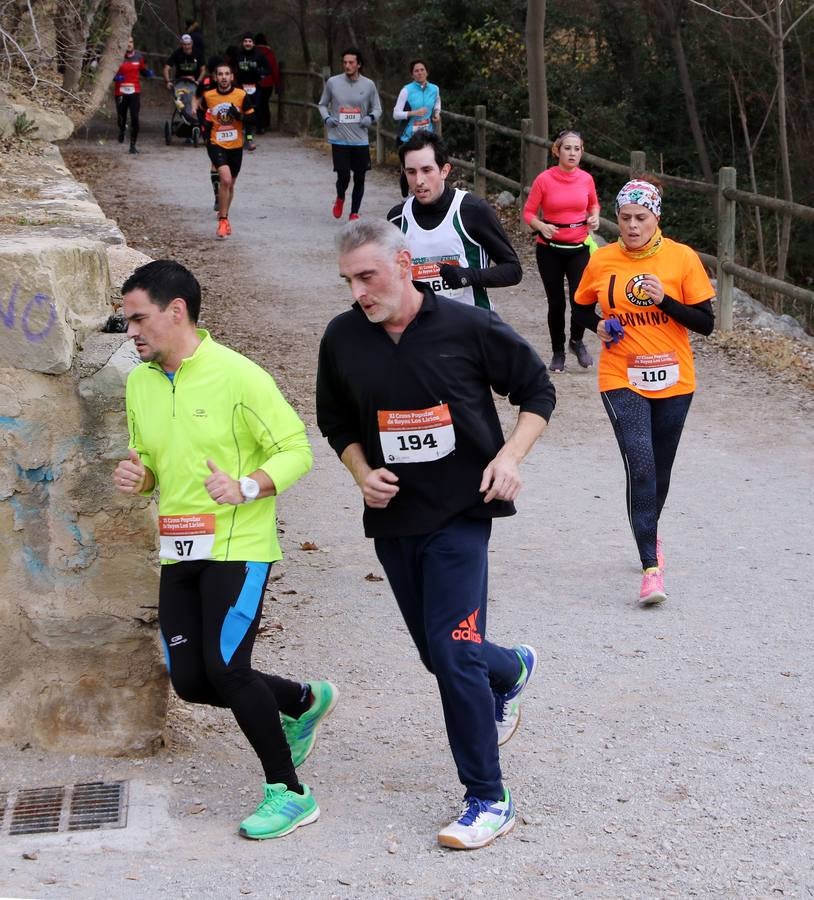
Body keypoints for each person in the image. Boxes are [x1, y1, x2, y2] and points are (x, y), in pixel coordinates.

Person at [316, 219, 555, 850]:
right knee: (442, 654)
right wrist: (362, 473)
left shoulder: (466, 326)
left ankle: (487, 798)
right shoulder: (343, 337)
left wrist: (509, 459)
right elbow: (334, 419)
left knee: (451, 657)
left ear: (403, 263)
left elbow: (537, 390)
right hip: (395, 520)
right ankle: (509, 668)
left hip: (461, 514)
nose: (359, 292)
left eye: (368, 276)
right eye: (349, 281)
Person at [114, 259, 337, 840]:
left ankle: (289, 793)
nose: (131, 331)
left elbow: (296, 450)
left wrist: (246, 486)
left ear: (176, 311)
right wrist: (136, 478)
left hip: (239, 543)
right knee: (190, 680)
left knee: (228, 669)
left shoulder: (238, 376)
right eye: (126, 320)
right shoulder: (139, 382)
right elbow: (151, 466)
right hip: (179, 547)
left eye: (138, 318)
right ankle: (302, 700)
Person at [573, 179, 715, 606]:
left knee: (662, 469)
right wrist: (596, 324)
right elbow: (581, 307)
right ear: (616, 219)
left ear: (656, 219)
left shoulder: (682, 259)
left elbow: (706, 323)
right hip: (621, 376)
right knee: (641, 465)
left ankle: (649, 531)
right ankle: (651, 569)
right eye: (625, 218)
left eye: (641, 218)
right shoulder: (603, 261)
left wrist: (665, 301)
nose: (632, 226)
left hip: (675, 380)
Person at [388, 131, 522, 310]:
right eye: (411, 172)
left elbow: (513, 270)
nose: (419, 180)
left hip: (470, 326)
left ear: (444, 170)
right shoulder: (397, 219)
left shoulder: (473, 210)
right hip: (419, 328)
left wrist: (467, 276)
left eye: (427, 170)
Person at [523, 129, 600, 373]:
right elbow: (528, 213)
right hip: (550, 249)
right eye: (568, 148)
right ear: (557, 150)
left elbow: (593, 204)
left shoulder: (586, 179)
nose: (572, 153)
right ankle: (558, 351)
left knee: (581, 298)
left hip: (579, 247)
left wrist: (595, 217)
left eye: (577, 149)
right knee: (556, 303)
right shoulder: (544, 180)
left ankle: (576, 342)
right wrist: (541, 225)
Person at [318, 47, 382, 220]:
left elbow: (377, 108)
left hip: (360, 139)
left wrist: (371, 117)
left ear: (358, 64)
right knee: (344, 175)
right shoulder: (333, 82)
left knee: (360, 177)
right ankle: (340, 197)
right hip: (339, 138)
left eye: (351, 62)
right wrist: (327, 118)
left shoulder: (368, 85)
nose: (347, 65)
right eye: (345, 62)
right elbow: (322, 104)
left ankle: (354, 212)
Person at [200, 58, 254, 238]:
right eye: (220, 74)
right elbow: (202, 115)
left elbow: (252, 119)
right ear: (215, 78)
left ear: (231, 77)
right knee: (225, 179)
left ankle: (225, 216)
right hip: (216, 143)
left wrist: (238, 116)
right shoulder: (209, 96)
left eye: (226, 74)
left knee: (231, 185)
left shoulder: (241, 95)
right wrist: (205, 134)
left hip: (236, 145)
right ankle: (222, 220)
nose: (223, 77)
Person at [393, 59, 441, 198]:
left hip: (427, 136)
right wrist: (413, 113)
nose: (420, 73)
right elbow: (396, 114)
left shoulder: (434, 89)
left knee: (425, 167)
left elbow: (437, 103)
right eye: (416, 71)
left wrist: (436, 114)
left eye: (422, 70)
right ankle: (405, 198)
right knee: (408, 169)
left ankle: (422, 196)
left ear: (427, 72)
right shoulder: (406, 90)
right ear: (412, 74)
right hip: (408, 137)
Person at [112, 36, 151, 155]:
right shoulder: (118, 57)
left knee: (135, 118)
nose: (129, 44)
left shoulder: (139, 57)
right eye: (127, 42)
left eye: (131, 42)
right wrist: (117, 78)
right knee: (121, 117)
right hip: (120, 92)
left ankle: (133, 145)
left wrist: (148, 74)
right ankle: (122, 129)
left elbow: (143, 71)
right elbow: (111, 73)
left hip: (134, 92)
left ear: (133, 44)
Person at [233, 32, 268, 151]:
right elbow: (230, 68)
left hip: (255, 87)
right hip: (240, 88)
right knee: (239, 111)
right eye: (245, 41)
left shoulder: (259, 55)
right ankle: (240, 137)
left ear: (253, 43)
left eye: (250, 41)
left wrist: (260, 73)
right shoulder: (237, 54)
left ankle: (249, 138)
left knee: (251, 113)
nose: (247, 43)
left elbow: (268, 69)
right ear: (242, 43)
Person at [254, 33, 280, 134]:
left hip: (254, 81)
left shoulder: (252, 52)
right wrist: (277, 84)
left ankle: (257, 123)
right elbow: (275, 70)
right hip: (268, 82)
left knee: (255, 103)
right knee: (264, 103)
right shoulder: (270, 53)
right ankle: (266, 123)